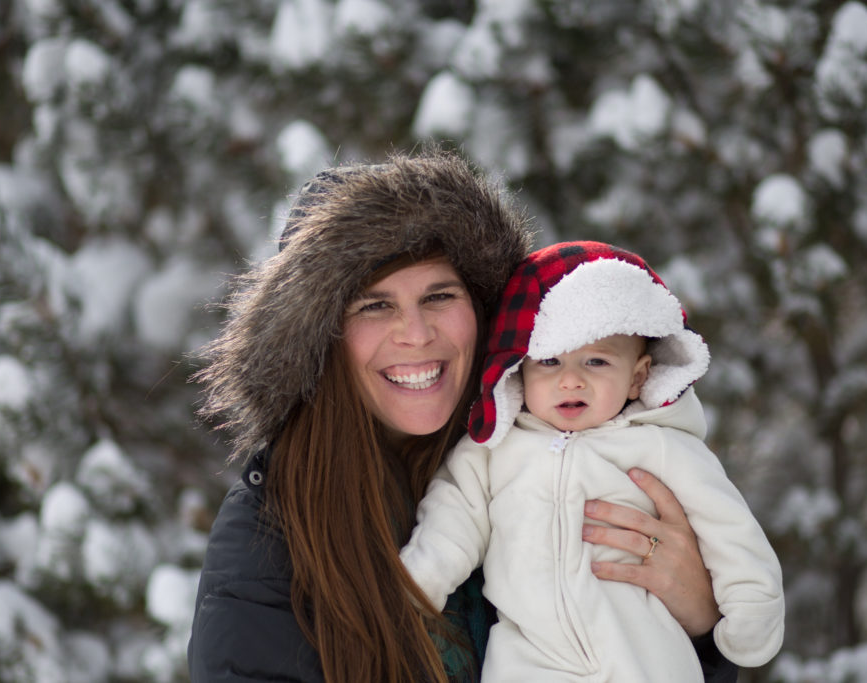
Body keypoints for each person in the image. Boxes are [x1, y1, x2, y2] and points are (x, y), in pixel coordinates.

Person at [187, 150, 739, 682]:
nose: (418, 333)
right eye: (375, 305)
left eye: (439, 296)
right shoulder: (272, 526)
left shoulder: (561, 449)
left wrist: (698, 625)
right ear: (322, 339)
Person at [401, 241, 784, 680]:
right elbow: (455, 514)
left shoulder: (663, 448)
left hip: (644, 658)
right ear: (518, 370)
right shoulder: (494, 450)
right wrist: (419, 581)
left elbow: (728, 527)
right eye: (548, 360)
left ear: (638, 376)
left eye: (596, 361)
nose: (570, 380)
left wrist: (751, 611)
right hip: (531, 662)